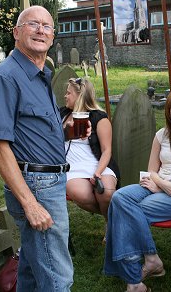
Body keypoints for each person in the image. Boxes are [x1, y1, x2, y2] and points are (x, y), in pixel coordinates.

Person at [0, 6, 74, 291]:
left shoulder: (42, 72)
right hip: (37, 187)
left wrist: (65, 131)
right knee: (58, 278)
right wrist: (31, 204)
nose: (40, 30)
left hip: (49, 181)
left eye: (47, 26)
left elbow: (31, 127)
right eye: (32, 24)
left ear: (52, 36)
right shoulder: (5, 76)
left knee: (33, 273)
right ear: (16, 32)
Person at [104, 88, 171, 292]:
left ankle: (135, 277)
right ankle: (151, 258)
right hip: (157, 185)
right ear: (168, 111)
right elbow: (151, 170)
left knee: (128, 212)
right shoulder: (161, 135)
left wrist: (167, 186)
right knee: (119, 197)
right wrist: (161, 185)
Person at [60, 77, 119, 239]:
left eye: (69, 93)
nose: (65, 96)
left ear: (80, 96)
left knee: (106, 193)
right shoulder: (62, 114)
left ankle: (111, 225)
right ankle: (116, 217)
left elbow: (107, 151)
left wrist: (98, 172)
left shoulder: (99, 118)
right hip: (72, 168)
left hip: (98, 164)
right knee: (80, 194)